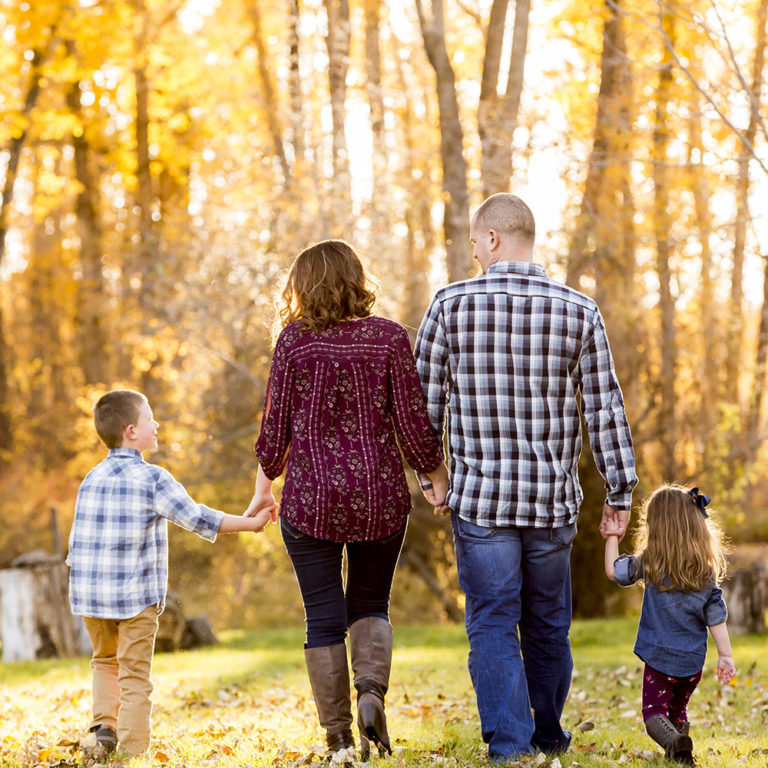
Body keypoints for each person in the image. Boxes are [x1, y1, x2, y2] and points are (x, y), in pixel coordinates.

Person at [413, 193, 638, 760]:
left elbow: (421, 408)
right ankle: (547, 736)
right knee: (547, 625)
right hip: (550, 503)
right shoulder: (578, 311)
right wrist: (621, 490)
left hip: (482, 504)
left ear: (491, 238)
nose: (472, 252)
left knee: (491, 622)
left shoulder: (449, 305)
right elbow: (605, 410)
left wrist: (432, 475)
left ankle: (510, 746)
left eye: (473, 241)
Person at [246, 240, 447, 758]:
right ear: (358, 279)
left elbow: (275, 430)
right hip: (380, 499)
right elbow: (413, 424)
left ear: (302, 285)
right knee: (371, 603)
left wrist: (263, 487)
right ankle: (371, 696)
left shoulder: (294, 342)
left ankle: (337, 738)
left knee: (322, 615)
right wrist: (434, 476)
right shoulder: (388, 338)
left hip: (310, 502)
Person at [67, 389, 276, 759]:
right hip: (136, 598)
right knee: (133, 674)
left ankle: (104, 732)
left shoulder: (91, 478)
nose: (157, 423)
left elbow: (77, 542)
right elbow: (196, 517)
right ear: (132, 431)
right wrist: (249, 523)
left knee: (104, 661)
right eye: (150, 418)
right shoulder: (153, 478)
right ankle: (131, 753)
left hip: (92, 597)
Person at [605, 484, 735, 764]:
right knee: (677, 711)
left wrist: (612, 537)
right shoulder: (705, 571)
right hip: (692, 664)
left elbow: (614, 571)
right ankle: (680, 756)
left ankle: (675, 741)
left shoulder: (649, 562)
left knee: (654, 712)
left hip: (660, 661)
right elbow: (716, 618)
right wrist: (725, 655)